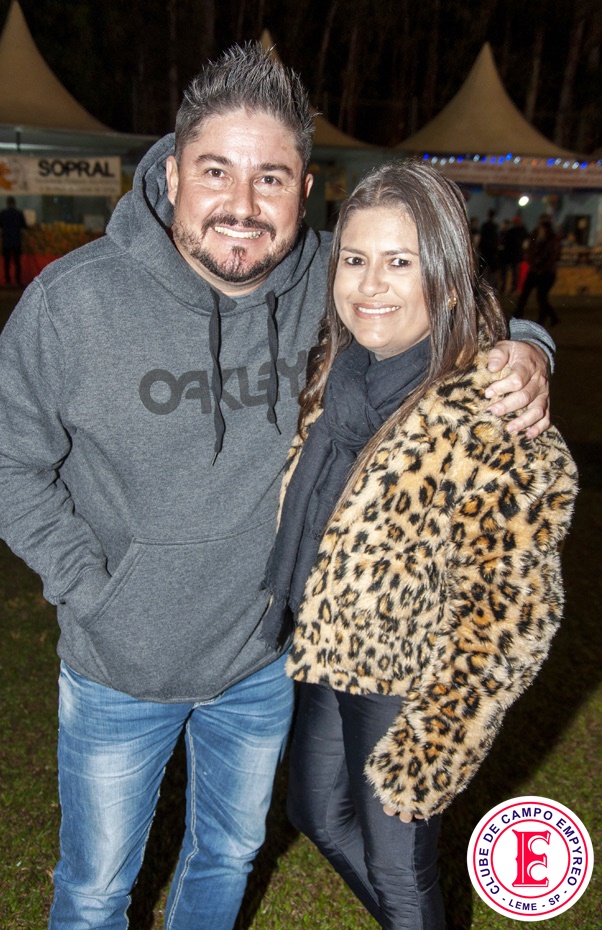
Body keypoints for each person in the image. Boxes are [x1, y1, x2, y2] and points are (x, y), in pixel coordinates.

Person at [0, 43, 554, 930]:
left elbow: (442, 298)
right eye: (217, 171)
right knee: (95, 891)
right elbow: (7, 463)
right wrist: (94, 588)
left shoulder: (332, 278)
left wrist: (528, 348)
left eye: (272, 178)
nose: (243, 206)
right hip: (118, 668)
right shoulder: (71, 304)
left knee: (228, 854)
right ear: (173, 175)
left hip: (262, 663)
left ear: (305, 189)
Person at [263, 161, 577, 929]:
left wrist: (436, 738)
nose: (370, 285)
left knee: (399, 870)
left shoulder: (492, 414)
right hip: (327, 645)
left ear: (446, 276)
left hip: (410, 679)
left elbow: (514, 612)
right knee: (315, 811)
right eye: (355, 258)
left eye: (400, 261)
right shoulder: (340, 370)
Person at [514, 218, 562, 327]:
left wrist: (541, 266)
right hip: (536, 271)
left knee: (541, 297)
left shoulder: (551, 240)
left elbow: (552, 257)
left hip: (545, 273)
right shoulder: (536, 237)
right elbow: (531, 251)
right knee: (526, 294)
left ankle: (547, 317)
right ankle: (518, 314)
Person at [0, 195, 26, 285]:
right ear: (14, 203)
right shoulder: (19, 213)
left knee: (7, 262)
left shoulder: (3, 213)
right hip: (16, 240)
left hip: (6, 240)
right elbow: (24, 225)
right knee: (17, 262)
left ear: (7, 203)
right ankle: (18, 280)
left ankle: (7, 280)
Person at [502, 215, 528, 294]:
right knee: (514, 272)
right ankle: (512, 287)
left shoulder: (514, 231)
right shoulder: (520, 231)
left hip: (513, 254)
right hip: (514, 254)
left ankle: (511, 287)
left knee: (513, 272)